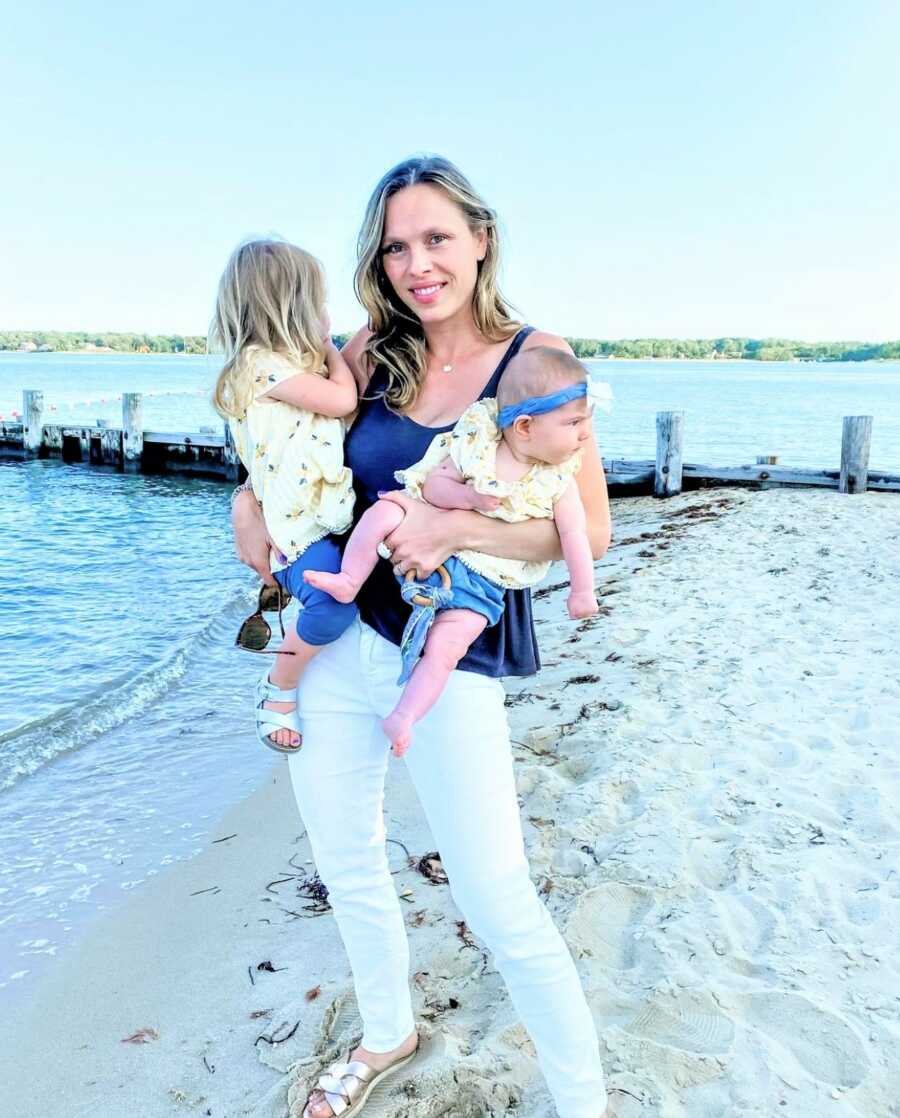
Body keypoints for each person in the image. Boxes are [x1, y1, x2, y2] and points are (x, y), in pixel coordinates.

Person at [232, 155, 611, 1118]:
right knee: (346, 860)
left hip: (447, 656)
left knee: (497, 898)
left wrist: (460, 529)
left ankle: (584, 1101)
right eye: (396, 245)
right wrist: (242, 501)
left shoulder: (536, 357)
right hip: (333, 639)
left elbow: (588, 533)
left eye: (437, 238)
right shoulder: (368, 349)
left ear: (481, 238)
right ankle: (386, 1032)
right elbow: (289, 450)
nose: (416, 263)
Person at [304, 346, 611, 758]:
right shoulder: (477, 444)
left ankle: (405, 715)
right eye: (574, 422)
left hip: (480, 581)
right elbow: (433, 486)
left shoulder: (557, 480)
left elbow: (576, 535)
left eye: (586, 420)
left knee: (447, 648)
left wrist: (582, 591)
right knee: (384, 510)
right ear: (524, 426)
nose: (586, 433)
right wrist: (466, 496)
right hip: (415, 535)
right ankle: (349, 579)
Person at [212, 239, 359, 752]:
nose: (326, 311)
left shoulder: (284, 367)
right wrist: (332, 347)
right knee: (332, 607)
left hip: (314, 516)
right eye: (318, 300)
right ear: (293, 304)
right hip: (300, 528)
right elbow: (344, 400)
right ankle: (280, 684)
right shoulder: (261, 366)